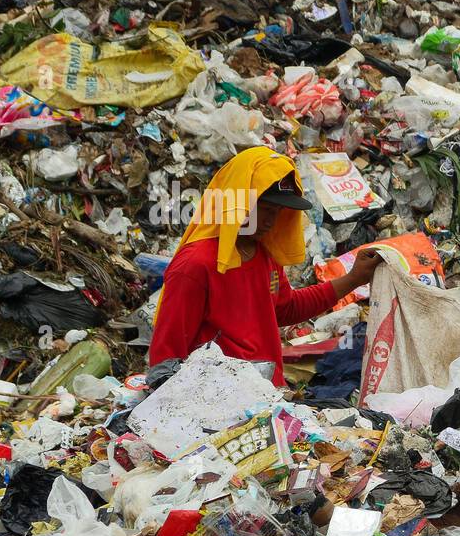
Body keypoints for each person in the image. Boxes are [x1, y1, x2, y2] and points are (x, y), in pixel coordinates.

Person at [149, 147, 381, 386]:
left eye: (278, 212)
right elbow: (166, 357)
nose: (271, 222)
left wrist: (353, 279)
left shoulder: (262, 255)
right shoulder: (196, 264)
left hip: (266, 395)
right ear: (236, 201)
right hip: (217, 400)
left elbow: (285, 308)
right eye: (266, 209)